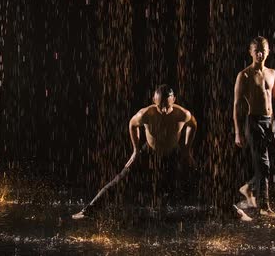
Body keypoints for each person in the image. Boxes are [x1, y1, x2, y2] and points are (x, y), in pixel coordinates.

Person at [72, 84, 197, 219]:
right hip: (149, 151)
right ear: (154, 101)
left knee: (197, 176)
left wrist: (186, 149)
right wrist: (136, 150)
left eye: (167, 105)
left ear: (174, 100)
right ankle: (88, 211)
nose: (164, 110)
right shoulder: (145, 114)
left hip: (173, 152)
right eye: (161, 106)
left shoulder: (183, 114)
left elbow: (193, 125)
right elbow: (132, 124)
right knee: (120, 178)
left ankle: (220, 213)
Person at [233, 36, 275, 219]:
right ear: (251, 53)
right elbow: (236, 105)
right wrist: (237, 132)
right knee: (264, 165)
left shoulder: (272, 73)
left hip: (271, 123)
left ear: (268, 52)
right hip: (254, 123)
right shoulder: (244, 75)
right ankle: (264, 207)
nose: (260, 53)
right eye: (256, 50)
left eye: (263, 50)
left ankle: (249, 187)